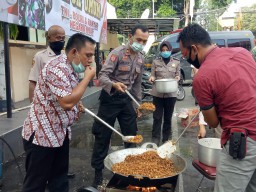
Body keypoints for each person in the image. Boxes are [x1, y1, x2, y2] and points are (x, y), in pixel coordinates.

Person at [178, 23, 256, 192]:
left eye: (185, 55)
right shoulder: (243, 53)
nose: (186, 59)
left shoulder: (203, 77)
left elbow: (212, 123)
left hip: (243, 141)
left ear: (194, 49)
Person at [22, 33, 96, 192]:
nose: (91, 60)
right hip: (42, 136)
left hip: (59, 133)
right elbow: (67, 102)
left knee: (59, 180)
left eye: (92, 56)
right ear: (74, 52)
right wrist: (87, 79)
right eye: (88, 55)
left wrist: (79, 103)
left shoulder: (71, 67)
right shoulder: (56, 68)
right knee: (35, 185)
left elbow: (68, 93)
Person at [91, 24, 149, 187]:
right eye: (138, 39)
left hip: (126, 101)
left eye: (144, 41)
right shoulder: (117, 53)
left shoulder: (140, 58)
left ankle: (130, 169)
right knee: (103, 135)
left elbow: (136, 84)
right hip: (110, 98)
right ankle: (98, 171)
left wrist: (137, 104)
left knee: (131, 135)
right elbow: (102, 76)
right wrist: (114, 84)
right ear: (130, 37)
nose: (141, 44)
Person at [148, 41, 180, 146]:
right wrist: (152, 78)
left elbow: (178, 75)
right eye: (163, 50)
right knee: (157, 117)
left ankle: (166, 139)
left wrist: (177, 78)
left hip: (171, 94)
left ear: (170, 50)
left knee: (168, 117)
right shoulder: (155, 62)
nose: (165, 52)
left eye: (167, 50)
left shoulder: (176, 62)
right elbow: (152, 75)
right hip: (158, 93)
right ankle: (155, 139)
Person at [29, 25, 65, 103]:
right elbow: (33, 81)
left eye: (63, 38)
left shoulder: (65, 56)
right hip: (46, 103)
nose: (61, 41)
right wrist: (33, 105)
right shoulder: (40, 56)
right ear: (49, 38)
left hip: (63, 103)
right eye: (58, 37)